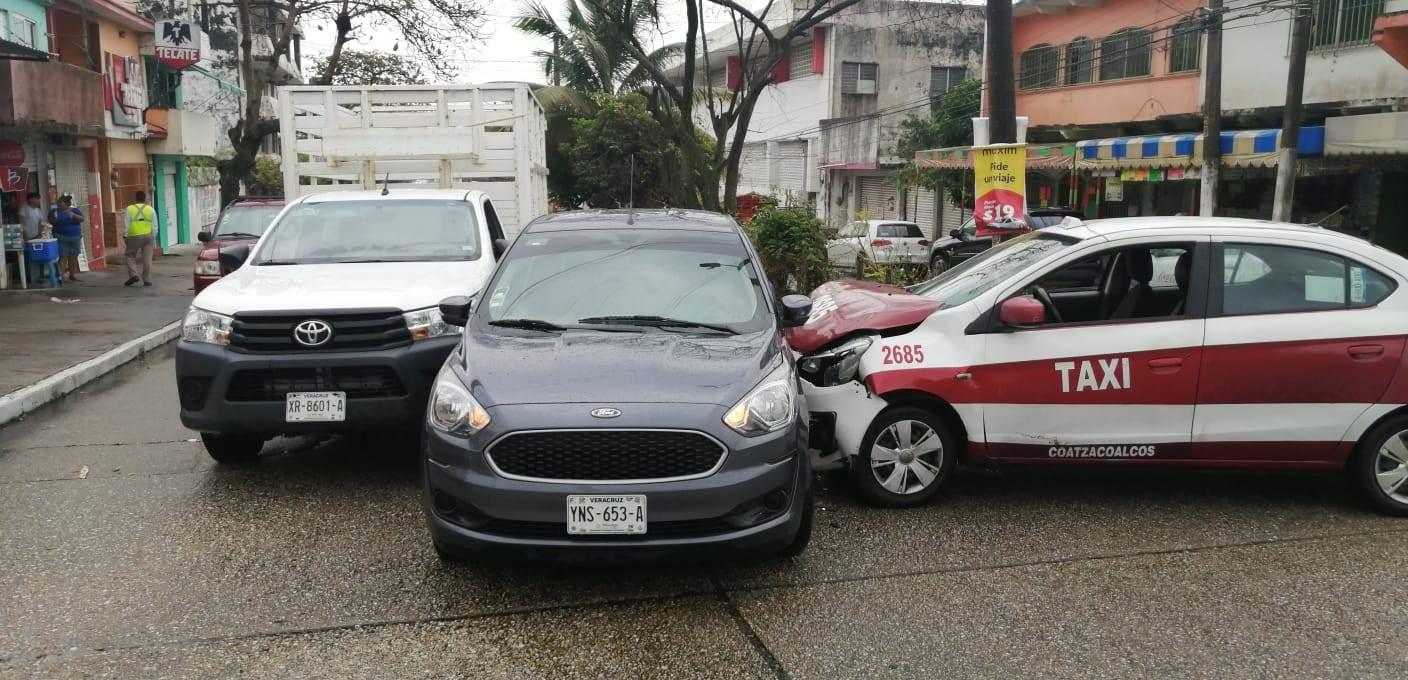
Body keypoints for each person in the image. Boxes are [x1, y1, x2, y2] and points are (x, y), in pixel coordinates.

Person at [48, 195, 84, 283]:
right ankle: (61, 276)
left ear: (66, 204)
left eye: (60, 202)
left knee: (73, 257)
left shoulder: (74, 210)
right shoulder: (54, 211)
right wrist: (55, 218)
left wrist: (74, 216)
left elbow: (82, 219)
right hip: (61, 238)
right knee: (63, 257)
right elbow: (51, 221)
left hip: (75, 237)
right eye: (58, 202)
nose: (58, 204)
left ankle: (72, 275)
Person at [124, 191, 156, 287]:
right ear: (145, 198)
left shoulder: (129, 209)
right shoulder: (151, 210)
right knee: (147, 258)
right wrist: (153, 236)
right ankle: (147, 280)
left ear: (136, 198)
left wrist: (125, 235)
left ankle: (133, 275)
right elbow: (155, 225)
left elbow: (126, 223)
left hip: (134, 236)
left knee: (130, 255)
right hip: (148, 236)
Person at [18, 192, 46, 283]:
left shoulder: (38, 210)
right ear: (31, 199)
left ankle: (39, 276)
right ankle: (28, 278)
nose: (39, 201)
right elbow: (21, 223)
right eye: (37, 199)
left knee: (38, 257)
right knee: (27, 258)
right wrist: (25, 236)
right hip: (26, 238)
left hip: (36, 238)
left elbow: (40, 223)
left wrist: (39, 234)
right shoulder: (24, 208)